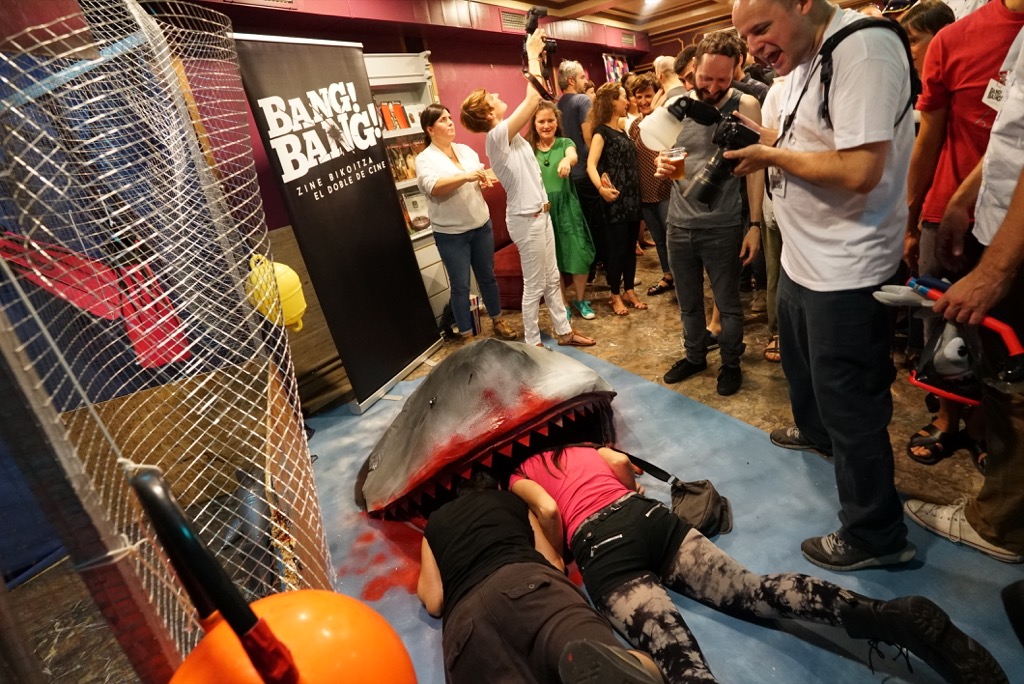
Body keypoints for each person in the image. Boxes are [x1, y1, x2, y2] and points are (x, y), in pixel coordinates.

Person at [510, 444, 1006, 683]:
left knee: (677, 655)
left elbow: (548, 510)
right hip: (649, 518)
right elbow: (621, 465)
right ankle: (882, 615)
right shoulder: (583, 449)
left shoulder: (517, 474)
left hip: (602, 545)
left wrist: (564, 546)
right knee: (754, 590)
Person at [728, 0, 917, 570]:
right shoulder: (805, 57)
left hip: (847, 267)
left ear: (803, 4)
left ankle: (876, 535)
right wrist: (757, 138)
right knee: (804, 372)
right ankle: (817, 434)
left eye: (762, 28)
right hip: (803, 259)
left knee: (851, 405)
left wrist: (770, 153)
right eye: (745, 36)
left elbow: (860, 170)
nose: (754, 47)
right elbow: (811, 141)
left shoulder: (863, 47)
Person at [902, 25, 1024, 564]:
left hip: (1012, 248)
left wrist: (996, 269)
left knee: (1011, 386)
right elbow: (1010, 140)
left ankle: (1000, 527)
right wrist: (959, 198)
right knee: (985, 367)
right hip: (992, 226)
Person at [417, 470, 664, 684]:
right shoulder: (509, 501)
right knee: (602, 654)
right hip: (527, 585)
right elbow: (554, 562)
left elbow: (434, 600)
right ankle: (636, 666)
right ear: (496, 486)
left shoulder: (435, 524)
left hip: (465, 626)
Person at [460, 30, 594, 349]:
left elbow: (532, 95)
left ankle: (564, 331)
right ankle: (533, 343)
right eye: (491, 97)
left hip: (540, 215)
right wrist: (532, 54)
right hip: (526, 220)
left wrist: (536, 59)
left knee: (551, 278)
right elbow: (533, 99)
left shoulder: (507, 135)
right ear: (487, 113)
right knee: (534, 285)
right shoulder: (496, 137)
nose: (496, 94)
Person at [657, 33, 762, 397]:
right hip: (678, 224)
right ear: (693, 68)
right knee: (688, 305)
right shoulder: (677, 104)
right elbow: (662, 151)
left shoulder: (745, 104)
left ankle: (731, 363)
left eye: (723, 79)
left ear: (736, 70)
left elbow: (756, 170)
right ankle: (695, 356)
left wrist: (755, 225)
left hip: (723, 225)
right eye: (706, 78)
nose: (714, 88)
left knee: (729, 306)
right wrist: (661, 163)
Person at [416, 104, 518, 343]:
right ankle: (467, 335)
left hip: (480, 225)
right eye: (443, 120)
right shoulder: (425, 159)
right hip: (451, 234)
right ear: (430, 129)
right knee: (461, 285)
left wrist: (484, 179)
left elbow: (479, 176)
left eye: (450, 118)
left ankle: (497, 319)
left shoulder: (465, 151)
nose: (450, 123)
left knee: (487, 277)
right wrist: (465, 176)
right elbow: (434, 187)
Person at [527, 101, 597, 320]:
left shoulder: (565, 143)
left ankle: (580, 299)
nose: (546, 125)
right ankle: (563, 304)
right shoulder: (528, 148)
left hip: (567, 205)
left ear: (557, 122)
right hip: (543, 209)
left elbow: (573, 155)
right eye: (541, 121)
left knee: (579, 253)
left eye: (550, 120)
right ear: (534, 124)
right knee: (553, 261)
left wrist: (567, 160)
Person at [586, 83, 645, 316]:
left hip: (632, 198)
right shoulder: (601, 132)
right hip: (615, 199)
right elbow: (591, 164)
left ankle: (629, 290)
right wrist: (601, 188)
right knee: (617, 250)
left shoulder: (621, 130)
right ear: (612, 101)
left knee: (630, 247)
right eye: (623, 97)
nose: (627, 101)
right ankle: (615, 295)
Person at [557, 60, 607, 280]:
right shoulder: (582, 100)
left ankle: (590, 269)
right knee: (599, 222)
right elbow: (588, 137)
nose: (585, 81)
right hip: (586, 171)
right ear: (571, 80)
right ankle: (608, 269)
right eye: (582, 77)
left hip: (568, 175)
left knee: (582, 223)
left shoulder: (556, 105)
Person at [627, 73, 675, 299]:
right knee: (658, 239)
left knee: (673, 238)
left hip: (667, 189)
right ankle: (668, 275)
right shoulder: (634, 126)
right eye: (639, 96)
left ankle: (682, 278)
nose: (644, 101)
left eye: (648, 95)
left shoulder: (667, 120)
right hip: (645, 193)